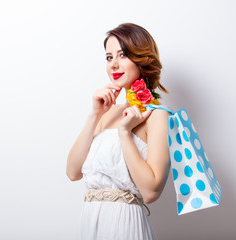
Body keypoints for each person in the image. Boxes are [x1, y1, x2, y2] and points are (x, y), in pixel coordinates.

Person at [66, 23, 171, 240]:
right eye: (108, 57)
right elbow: (73, 172)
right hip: (91, 223)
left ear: (141, 58)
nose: (113, 64)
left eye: (122, 55)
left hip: (125, 225)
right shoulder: (106, 112)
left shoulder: (158, 115)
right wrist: (94, 115)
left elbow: (151, 192)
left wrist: (125, 133)